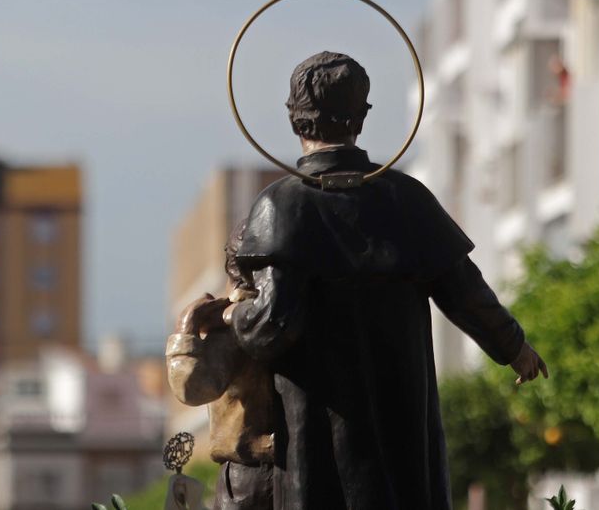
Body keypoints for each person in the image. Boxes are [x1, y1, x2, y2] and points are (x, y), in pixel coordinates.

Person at [227, 51, 547, 510]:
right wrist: (514, 348)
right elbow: (466, 292)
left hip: (316, 443)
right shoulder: (408, 199)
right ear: (362, 116)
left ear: (294, 120)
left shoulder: (281, 207)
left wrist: (232, 311)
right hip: (403, 433)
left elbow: (269, 327)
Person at [166, 222, 281, 510]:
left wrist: (186, 328)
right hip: (297, 469)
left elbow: (191, 388)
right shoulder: (293, 317)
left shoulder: (236, 326)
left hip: (246, 478)